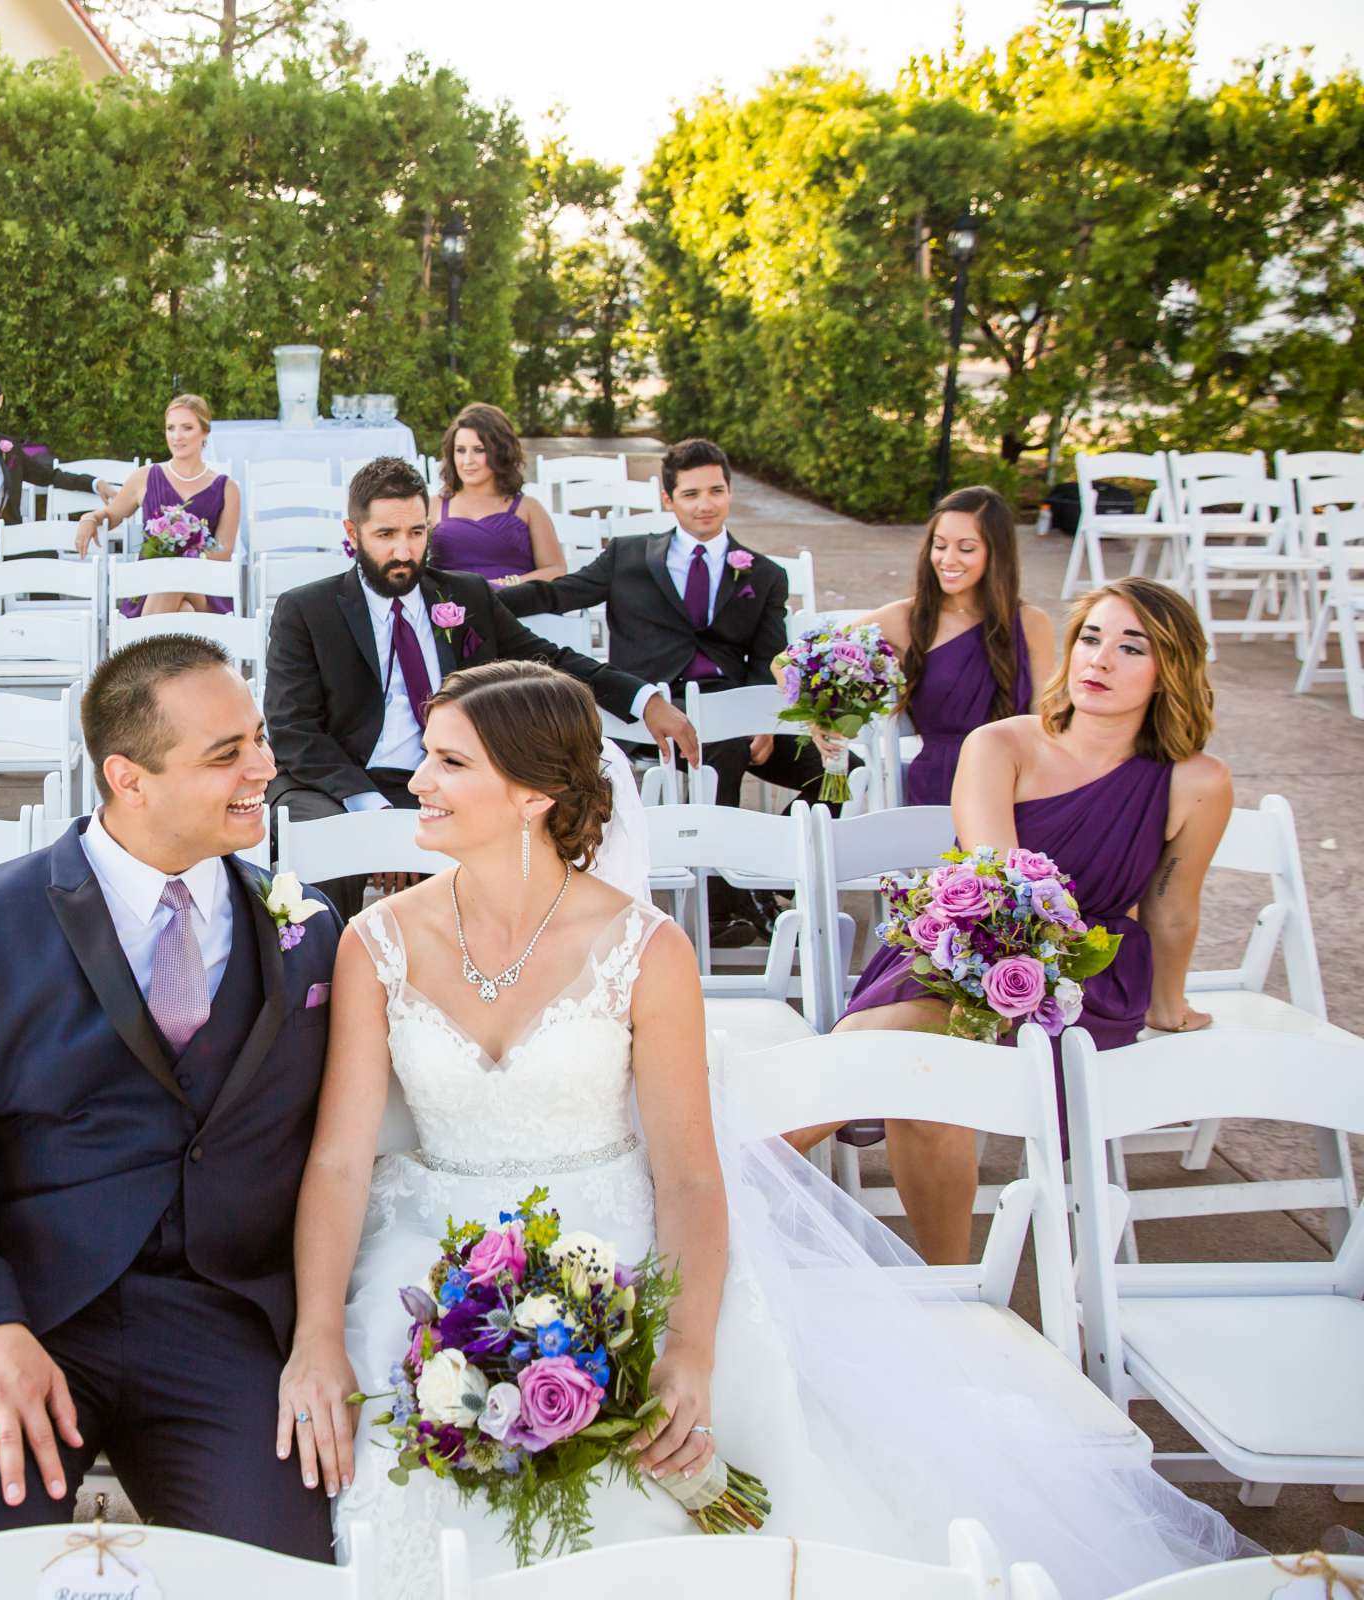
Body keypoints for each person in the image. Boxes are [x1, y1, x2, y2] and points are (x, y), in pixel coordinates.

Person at [275, 660, 1247, 1596]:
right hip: (422, 1251)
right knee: (407, 1473)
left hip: (629, 1244)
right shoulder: (377, 940)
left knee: (671, 1481)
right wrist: (317, 1332)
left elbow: (693, 1178)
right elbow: (339, 1158)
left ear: (532, 794)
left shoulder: (644, 949)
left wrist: (689, 1348)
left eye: (449, 761)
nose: (416, 781)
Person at [0, 634, 345, 1559]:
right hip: (29, 1304)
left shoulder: (307, 925)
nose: (264, 769)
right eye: (226, 754)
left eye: (258, 738)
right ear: (129, 778)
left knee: (280, 1573)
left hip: (224, 1320)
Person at [795, 577, 1231, 1264]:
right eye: (1090, 638)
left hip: (1089, 972)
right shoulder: (1001, 744)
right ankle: (947, 1278)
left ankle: (714, 1173)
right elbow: (999, 879)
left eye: (1130, 647)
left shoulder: (1197, 780)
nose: (1100, 660)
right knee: (915, 1065)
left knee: (895, 1055)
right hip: (972, 942)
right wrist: (999, 961)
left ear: (1169, 668)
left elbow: (1174, 906)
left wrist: (1170, 1006)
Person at [264, 455, 695, 918]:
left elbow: (547, 661)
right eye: (386, 535)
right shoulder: (306, 611)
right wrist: (373, 813)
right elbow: (293, 730)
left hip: (450, 777)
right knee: (326, 846)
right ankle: (326, 982)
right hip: (336, 783)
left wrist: (642, 698)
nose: (405, 552)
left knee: (519, 822)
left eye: (416, 533)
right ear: (353, 534)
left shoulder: (465, 596)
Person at [504, 437, 826, 946]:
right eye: (692, 493)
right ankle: (723, 907)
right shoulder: (629, 557)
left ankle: (771, 876)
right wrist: (478, 598)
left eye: (716, 491)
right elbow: (559, 594)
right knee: (717, 752)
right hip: (648, 717)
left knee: (838, 772)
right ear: (667, 498)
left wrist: (763, 719)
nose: (705, 504)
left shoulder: (763, 574)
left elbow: (769, 659)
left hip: (738, 716)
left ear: (729, 493)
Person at [849, 485, 1053, 806]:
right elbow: (795, 661)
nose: (947, 559)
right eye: (940, 545)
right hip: (942, 783)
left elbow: (1045, 717)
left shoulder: (1032, 622)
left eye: (966, 548)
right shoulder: (905, 618)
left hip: (1019, 780)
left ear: (995, 553)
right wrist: (823, 720)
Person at [75, 394, 242, 618]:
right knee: (183, 612)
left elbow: (223, 549)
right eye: (170, 428)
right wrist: (90, 518)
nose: (177, 437)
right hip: (149, 585)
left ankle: (136, 650)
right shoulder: (144, 477)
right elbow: (111, 515)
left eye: (187, 428)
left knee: (175, 577)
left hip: (204, 587)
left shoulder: (226, 488)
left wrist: (184, 556)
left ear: (205, 432)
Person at [0, 368, 117, 537]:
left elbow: (48, 476)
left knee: (47, 557)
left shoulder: (8, 446)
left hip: (4, 534)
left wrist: (94, 483)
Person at [427, 403, 566, 585]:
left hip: (515, 604)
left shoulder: (528, 508)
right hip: (451, 607)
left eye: (479, 450)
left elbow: (556, 570)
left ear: (500, 452)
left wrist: (504, 585)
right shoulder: (433, 505)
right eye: (460, 450)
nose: (467, 460)